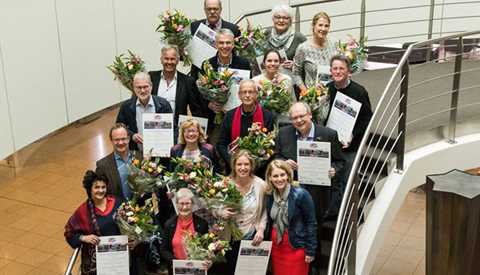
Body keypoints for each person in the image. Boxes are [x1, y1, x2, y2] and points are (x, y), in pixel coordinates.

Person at [273, 102, 345, 273]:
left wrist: (334, 169)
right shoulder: (283, 133)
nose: (299, 120)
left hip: (317, 195)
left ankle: (313, 266)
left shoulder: (328, 134)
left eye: (301, 116)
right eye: (294, 118)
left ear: (310, 115)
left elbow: (340, 161)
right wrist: (283, 162)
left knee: (314, 231)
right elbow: (275, 156)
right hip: (290, 194)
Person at [64, 170, 137, 275]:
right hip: (101, 263)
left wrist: (135, 240)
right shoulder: (83, 211)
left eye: (103, 187)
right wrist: (84, 238)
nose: (101, 190)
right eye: (96, 187)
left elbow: (132, 224)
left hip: (122, 258)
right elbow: (69, 233)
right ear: (90, 189)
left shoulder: (116, 202)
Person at [326, 54, 373, 202]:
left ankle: (347, 216)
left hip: (350, 145)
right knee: (333, 181)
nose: (338, 72)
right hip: (332, 144)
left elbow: (367, 118)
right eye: (335, 69)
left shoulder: (359, 92)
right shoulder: (327, 89)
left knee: (347, 181)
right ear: (330, 71)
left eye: (341, 68)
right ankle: (334, 210)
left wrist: (353, 134)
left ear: (348, 71)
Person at [264, 160, 317, 275]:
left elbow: (311, 223)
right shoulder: (270, 195)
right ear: (270, 178)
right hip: (277, 244)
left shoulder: (301, 194)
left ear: (288, 175)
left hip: (296, 245)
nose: (279, 179)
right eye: (275, 176)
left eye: (282, 175)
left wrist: (311, 250)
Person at [220, 150, 267, 275]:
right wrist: (221, 212)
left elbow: (264, 211)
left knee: (252, 272)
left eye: (246, 164)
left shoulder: (260, 185)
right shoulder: (225, 185)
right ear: (234, 166)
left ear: (251, 166)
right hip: (231, 237)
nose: (243, 168)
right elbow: (214, 206)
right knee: (234, 270)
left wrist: (261, 229)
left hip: (253, 237)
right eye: (239, 164)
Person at [216, 79, 275, 175]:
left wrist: (256, 164)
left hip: (259, 171)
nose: (247, 95)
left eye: (251, 92)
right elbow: (221, 144)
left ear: (256, 94)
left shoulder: (267, 116)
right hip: (234, 170)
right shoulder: (229, 115)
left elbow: (271, 146)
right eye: (244, 92)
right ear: (239, 95)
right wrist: (233, 162)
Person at [116, 72, 177, 152]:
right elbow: (119, 127)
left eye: (145, 87)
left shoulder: (163, 105)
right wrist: (132, 135)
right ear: (134, 88)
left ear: (151, 86)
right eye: (139, 87)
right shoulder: (126, 106)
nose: (142, 90)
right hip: (136, 153)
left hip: (160, 153)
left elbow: (174, 129)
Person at [159, 188, 212, 275]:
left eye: (187, 203)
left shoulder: (202, 224)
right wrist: (178, 263)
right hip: (176, 270)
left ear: (193, 204)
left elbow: (207, 249)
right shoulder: (169, 224)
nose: (184, 207)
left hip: (197, 270)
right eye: (181, 204)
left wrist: (209, 260)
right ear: (176, 203)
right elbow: (164, 250)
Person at [149, 46, 204, 123]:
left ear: (177, 61)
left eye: (172, 59)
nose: (169, 62)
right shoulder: (151, 77)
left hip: (177, 130)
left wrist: (201, 130)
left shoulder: (187, 82)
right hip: (154, 127)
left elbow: (196, 110)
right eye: (166, 59)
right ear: (161, 60)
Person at [293, 12, 339, 92]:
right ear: (313, 26)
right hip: (314, 97)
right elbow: (296, 73)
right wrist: (306, 93)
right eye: (320, 25)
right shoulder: (303, 48)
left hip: (334, 91)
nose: (323, 29)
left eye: (326, 26)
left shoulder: (334, 43)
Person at [96, 123, 141, 202]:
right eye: (116, 140)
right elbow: (99, 192)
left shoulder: (139, 157)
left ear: (128, 139)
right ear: (111, 140)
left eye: (123, 139)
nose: (120, 143)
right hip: (117, 211)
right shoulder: (103, 165)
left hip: (140, 210)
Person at [263, 4, 306, 74]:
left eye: (285, 18)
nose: (281, 20)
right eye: (277, 17)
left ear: (290, 21)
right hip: (268, 77)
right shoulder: (267, 33)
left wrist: (295, 65)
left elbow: (307, 62)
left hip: (290, 80)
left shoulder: (298, 37)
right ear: (273, 19)